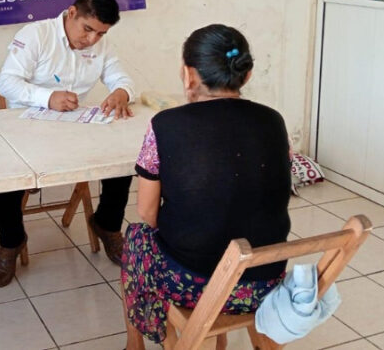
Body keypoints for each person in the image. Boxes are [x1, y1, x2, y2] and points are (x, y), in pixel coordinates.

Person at [122, 24, 291, 349]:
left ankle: (135, 345)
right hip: (265, 281)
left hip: (195, 284)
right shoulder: (274, 120)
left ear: (188, 75)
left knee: (137, 238)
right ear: (247, 74)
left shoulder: (165, 124)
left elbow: (147, 212)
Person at [0, 0, 136, 287]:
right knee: (6, 171)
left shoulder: (102, 45)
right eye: (88, 29)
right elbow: (6, 82)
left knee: (122, 158)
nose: (92, 39)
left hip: (73, 128)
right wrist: (47, 97)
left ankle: (107, 224)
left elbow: (121, 78)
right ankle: (11, 241)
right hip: (27, 126)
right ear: (72, 13)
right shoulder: (36, 34)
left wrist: (122, 92)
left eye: (101, 33)